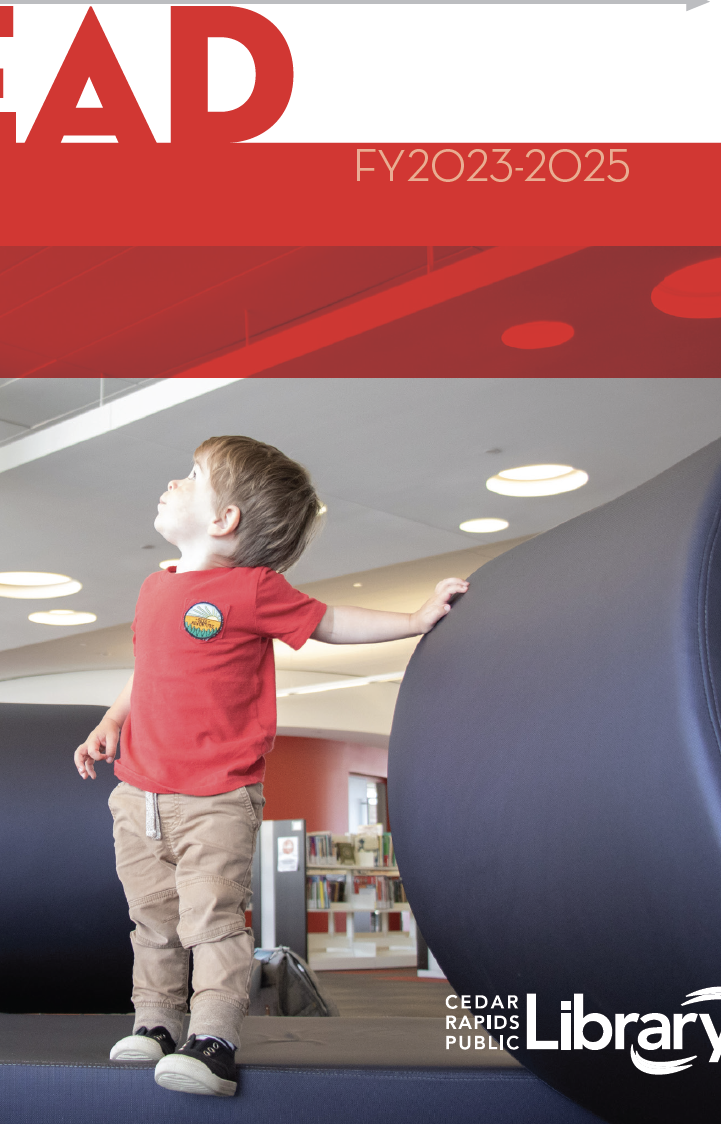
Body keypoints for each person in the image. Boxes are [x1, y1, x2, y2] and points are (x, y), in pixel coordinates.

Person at [73, 435, 467, 1097]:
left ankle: (215, 1039)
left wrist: (415, 618)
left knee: (214, 917)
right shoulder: (154, 587)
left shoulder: (249, 589)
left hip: (215, 797)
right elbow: (147, 673)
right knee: (154, 919)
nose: (172, 483)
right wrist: (112, 720)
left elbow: (331, 620)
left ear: (224, 519)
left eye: (190, 476)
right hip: (138, 792)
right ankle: (156, 1023)